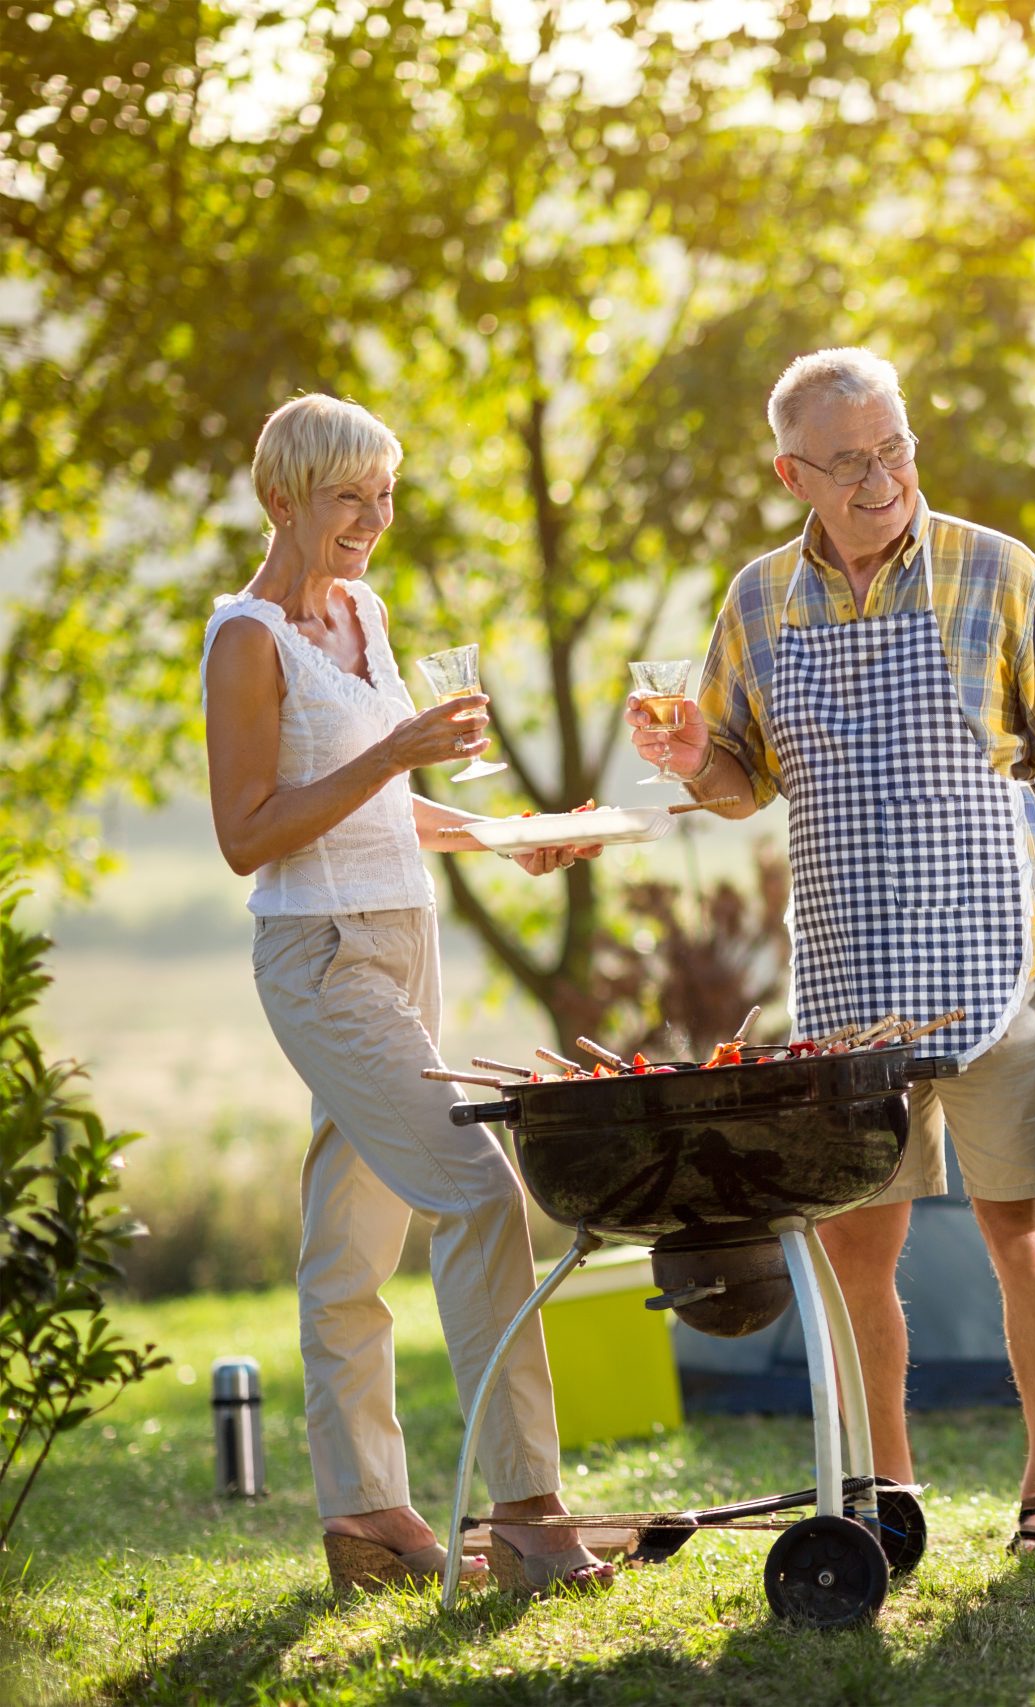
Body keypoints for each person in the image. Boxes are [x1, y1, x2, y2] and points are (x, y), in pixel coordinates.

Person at [626, 347, 1035, 1560]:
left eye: (893, 446)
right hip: (849, 978)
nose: (880, 476)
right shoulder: (757, 601)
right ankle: (885, 1499)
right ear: (790, 471)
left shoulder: (998, 573)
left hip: (998, 966)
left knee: (1027, 1225)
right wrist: (693, 755)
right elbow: (743, 781)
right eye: (848, 461)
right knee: (857, 1246)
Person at [202, 394, 613, 1597]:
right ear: (285, 499)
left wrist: (499, 836)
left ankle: (369, 1520)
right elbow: (248, 835)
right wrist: (392, 752)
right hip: (320, 956)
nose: (373, 520)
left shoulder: (363, 614)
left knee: (349, 1242)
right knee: (480, 1192)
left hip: (402, 940)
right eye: (350, 498)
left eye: (384, 496)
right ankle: (530, 1513)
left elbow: (385, 810)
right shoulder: (248, 638)